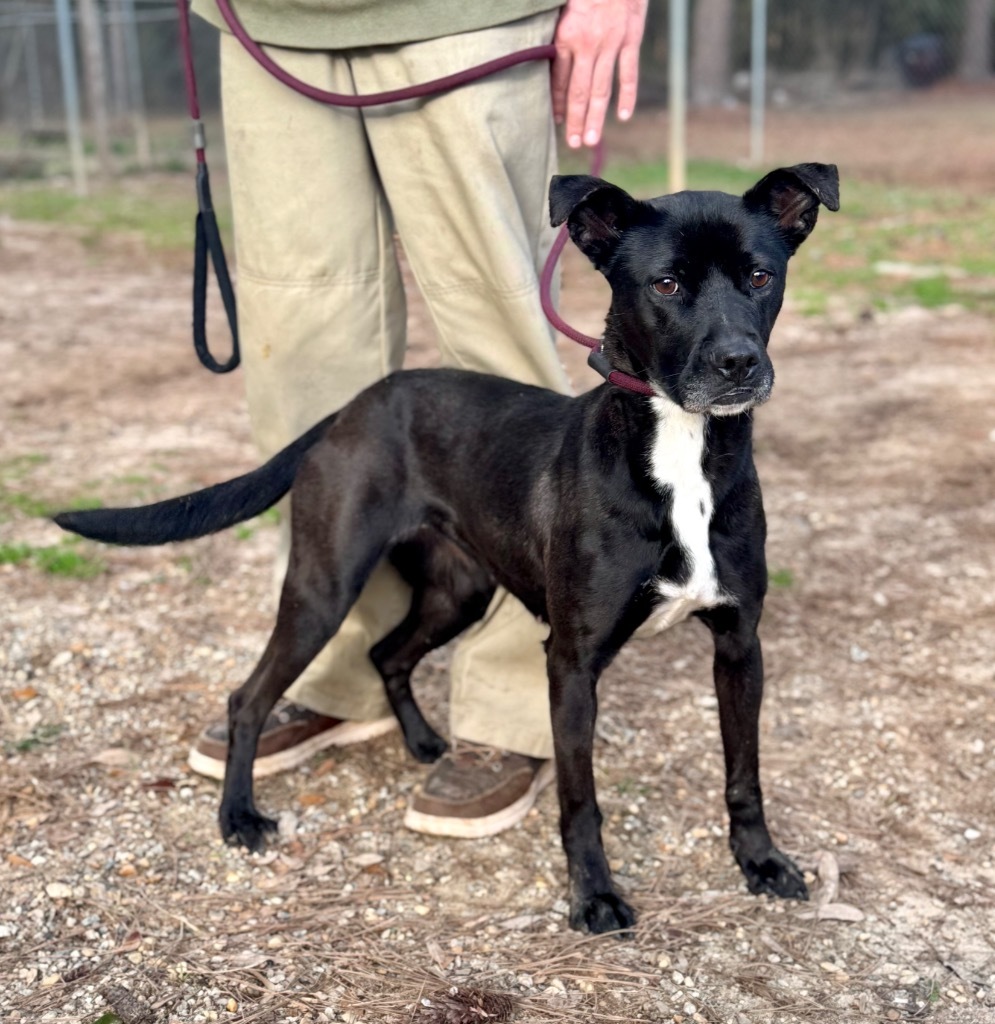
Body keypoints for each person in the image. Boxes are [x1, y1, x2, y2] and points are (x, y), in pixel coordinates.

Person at [186, 0, 649, 838]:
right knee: (303, 355)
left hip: (467, 17)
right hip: (268, 23)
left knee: (499, 346)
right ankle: (340, 671)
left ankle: (512, 706)